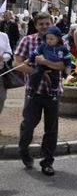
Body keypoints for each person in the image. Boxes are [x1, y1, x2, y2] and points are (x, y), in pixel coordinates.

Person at [15, 12, 66, 176]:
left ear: (52, 23)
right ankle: (23, 150)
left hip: (53, 92)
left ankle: (47, 162)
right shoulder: (27, 40)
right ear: (36, 26)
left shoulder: (59, 41)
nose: (44, 26)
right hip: (34, 92)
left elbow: (63, 65)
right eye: (41, 24)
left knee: (51, 129)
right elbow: (16, 63)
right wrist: (39, 71)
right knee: (28, 125)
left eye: (47, 23)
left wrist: (44, 63)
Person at [26, 26, 72, 100]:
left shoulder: (62, 48)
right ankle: (32, 89)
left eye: (51, 39)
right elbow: (34, 53)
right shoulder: (43, 46)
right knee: (35, 74)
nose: (49, 41)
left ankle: (54, 92)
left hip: (54, 67)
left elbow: (67, 59)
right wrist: (30, 60)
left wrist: (68, 67)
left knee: (55, 78)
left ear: (58, 39)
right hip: (42, 66)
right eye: (47, 38)